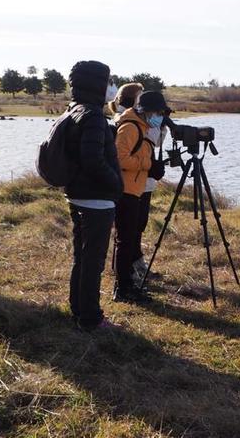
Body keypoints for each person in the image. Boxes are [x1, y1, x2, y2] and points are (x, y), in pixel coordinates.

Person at [64, 60, 124, 331]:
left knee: (82, 257)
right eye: (108, 81)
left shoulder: (74, 109)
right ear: (97, 84)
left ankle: (78, 309)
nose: (111, 87)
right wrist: (115, 184)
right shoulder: (94, 116)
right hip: (96, 198)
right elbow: (93, 160)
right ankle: (90, 318)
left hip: (77, 194)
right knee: (93, 261)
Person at [112, 91, 168, 302]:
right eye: (158, 112)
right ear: (146, 111)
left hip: (134, 189)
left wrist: (150, 168)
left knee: (127, 239)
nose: (160, 116)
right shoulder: (130, 127)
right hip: (125, 190)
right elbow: (120, 159)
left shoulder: (142, 126)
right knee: (125, 241)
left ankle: (126, 285)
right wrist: (148, 166)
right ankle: (123, 288)